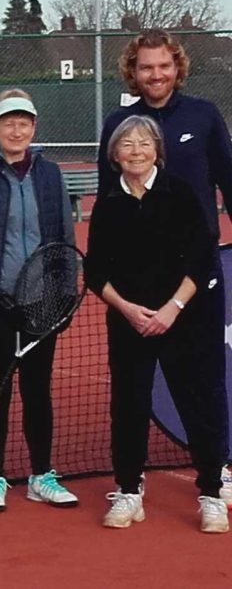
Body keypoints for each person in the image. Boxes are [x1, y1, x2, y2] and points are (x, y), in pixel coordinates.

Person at [99, 29, 232, 503]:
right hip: (136, 286)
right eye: (146, 67)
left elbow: (229, 182)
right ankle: (128, 488)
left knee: (205, 386)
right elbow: (109, 200)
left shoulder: (205, 115)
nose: (155, 75)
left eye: (163, 66)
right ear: (132, 72)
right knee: (130, 393)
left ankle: (216, 475)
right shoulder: (119, 122)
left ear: (177, 67)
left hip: (196, 280)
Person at [85, 115, 228, 533]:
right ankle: (129, 491)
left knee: (196, 405)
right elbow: (95, 272)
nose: (136, 151)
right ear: (114, 155)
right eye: (126, 144)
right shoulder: (108, 204)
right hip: (129, 323)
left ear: (157, 151)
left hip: (181, 320)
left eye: (144, 143)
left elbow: (202, 259)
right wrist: (129, 309)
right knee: (127, 409)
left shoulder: (180, 194)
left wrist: (171, 309)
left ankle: (211, 494)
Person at [0, 89, 78, 513]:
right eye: (8, 122)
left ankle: (42, 475)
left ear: (33, 128)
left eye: (24, 122)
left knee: (38, 391)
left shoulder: (50, 175)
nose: (16, 129)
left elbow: (64, 238)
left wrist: (63, 296)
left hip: (41, 303)